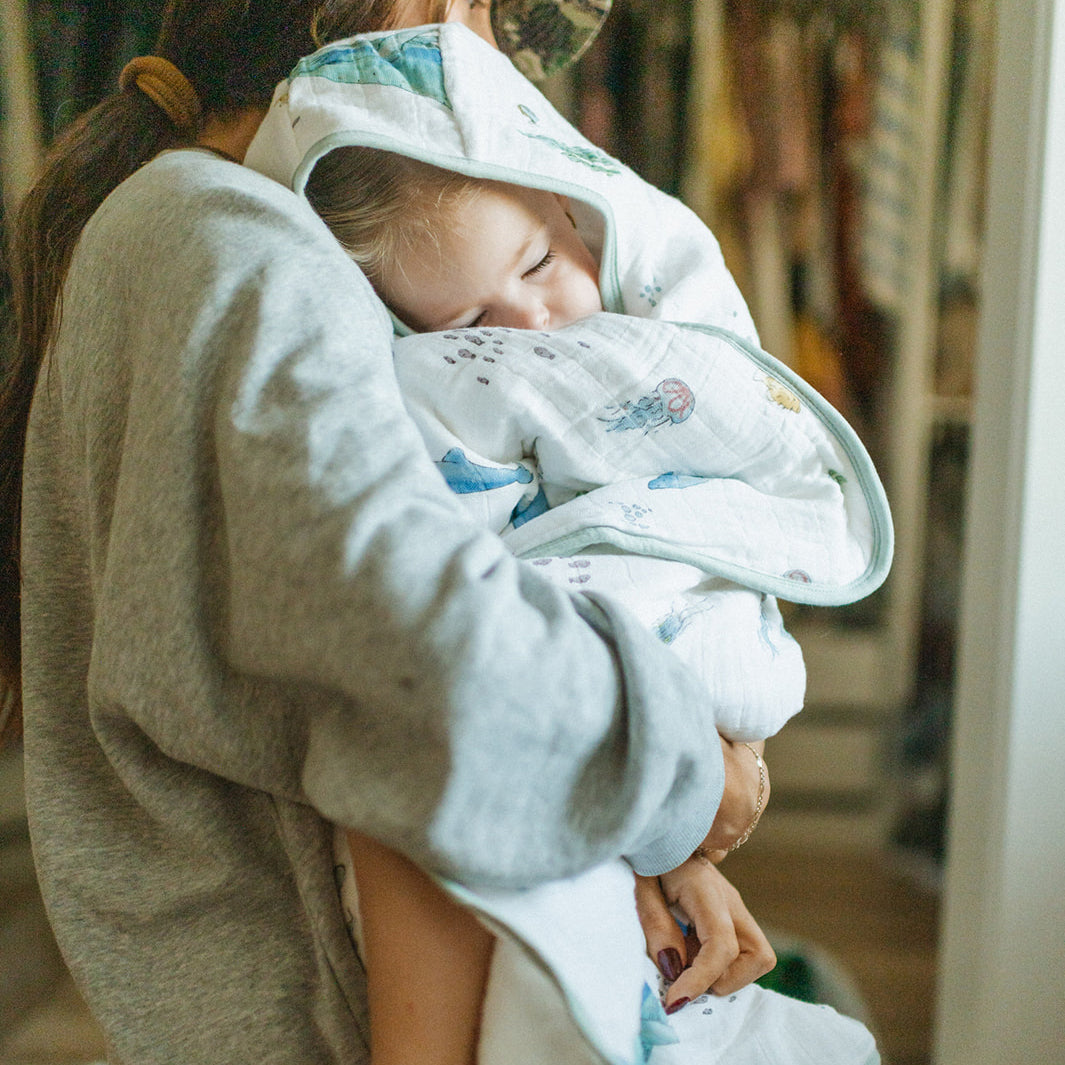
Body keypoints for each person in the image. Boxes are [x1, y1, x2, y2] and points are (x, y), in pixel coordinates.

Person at [0, 3, 786, 1064]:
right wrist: (695, 778)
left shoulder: (199, 230)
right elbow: (432, 664)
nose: (489, 48)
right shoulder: (235, 246)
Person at [245, 22, 892, 1065]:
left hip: (645, 756)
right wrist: (667, 826)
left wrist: (684, 811)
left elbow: (717, 494)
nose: (536, 329)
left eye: (543, 262)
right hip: (554, 748)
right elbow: (461, 614)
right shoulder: (405, 398)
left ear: (571, 204)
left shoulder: (646, 326)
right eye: (473, 324)